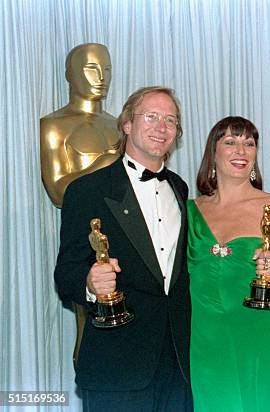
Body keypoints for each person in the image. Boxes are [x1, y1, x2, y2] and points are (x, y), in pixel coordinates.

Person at [54, 86, 192, 411]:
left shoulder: (180, 188)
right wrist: (89, 283)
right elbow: (66, 274)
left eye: (170, 120)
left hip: (177, 366)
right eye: (152, 117)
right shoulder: (87, 191)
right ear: (127, 124)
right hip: (117, 365)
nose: (162, 127)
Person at [188, 116, 270, 411]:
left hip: (258, 341)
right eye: (231, 142)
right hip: (203, 344)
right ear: (213, 151)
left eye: (249, 143)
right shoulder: (189, 211)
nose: (241, 151)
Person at [41, 43, 120, 208]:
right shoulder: (54, 126)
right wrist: (105, 163)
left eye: (107, 69)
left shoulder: (119, 125)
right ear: (70, 74)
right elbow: (58, 194)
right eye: (91, 68)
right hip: (82, 224)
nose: (102, 78)